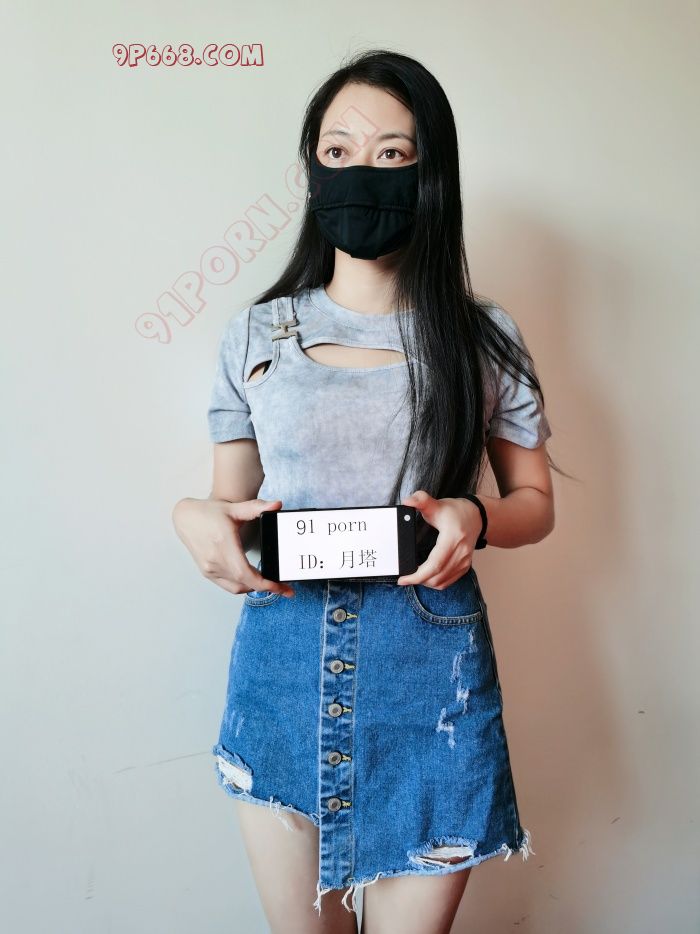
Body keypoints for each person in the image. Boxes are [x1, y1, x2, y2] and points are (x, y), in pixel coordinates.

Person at [172, 48, 561, 934]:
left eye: (392, 153)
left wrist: (475, 517)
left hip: (432, 684)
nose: (362, 172)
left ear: (431, 174)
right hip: (280, 670)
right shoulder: (256, 333)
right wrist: (192, 519)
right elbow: (230, 508)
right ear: (312, 169)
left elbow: (535, 504)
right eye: (338, 151)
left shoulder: (484, 338)